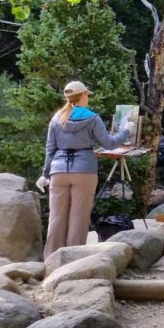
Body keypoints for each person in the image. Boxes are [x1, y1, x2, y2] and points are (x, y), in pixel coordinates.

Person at [37, 81, 132, 258]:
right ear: (82, 96)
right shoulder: (92, 118)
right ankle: (75, 259)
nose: (88, 97)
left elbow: (50, 149)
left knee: (56, 217)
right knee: (78, 217)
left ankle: (50, 259)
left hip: (58, 171)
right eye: (87, 94)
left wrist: (44, 174)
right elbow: (109, 143)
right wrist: (127, 131)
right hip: (84, 171)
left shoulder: (57, 118)